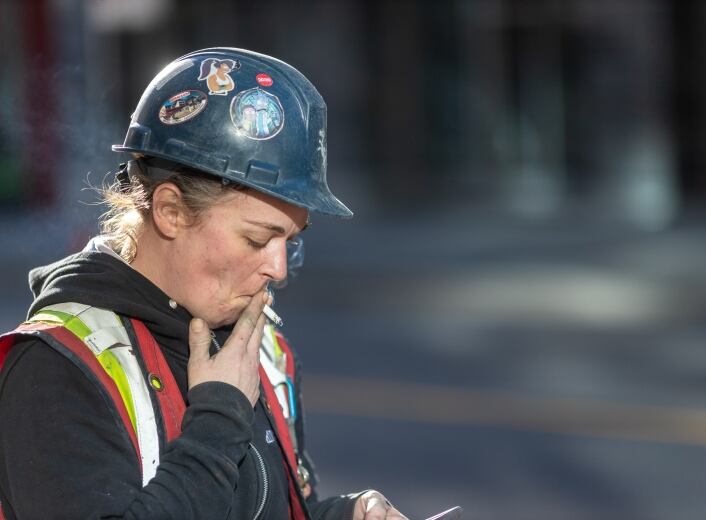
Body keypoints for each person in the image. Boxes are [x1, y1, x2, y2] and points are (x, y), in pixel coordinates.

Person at [0, 48, 407, 520]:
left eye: (290, 241)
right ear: (170, 212)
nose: (277, 268)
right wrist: (218, 421)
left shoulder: (262, 348)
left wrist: (337, 515)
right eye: (257, 239)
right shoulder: (56, 370)